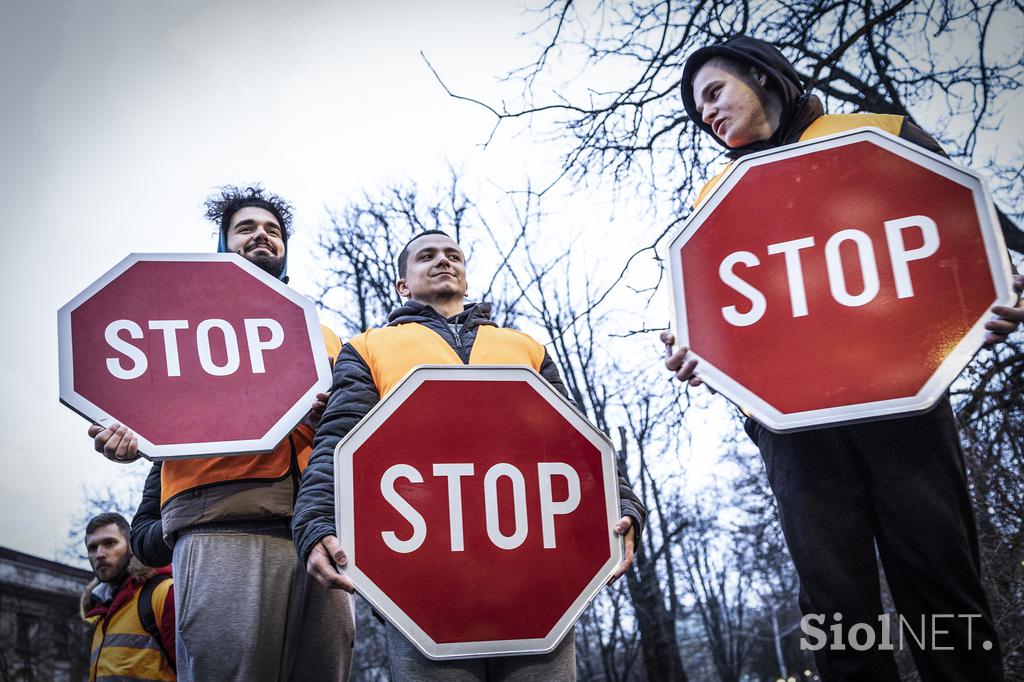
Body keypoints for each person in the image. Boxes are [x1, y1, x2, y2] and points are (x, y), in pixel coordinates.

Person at [662, 36, 1024, 681]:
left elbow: (958, 239)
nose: (707, 115)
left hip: (901, 407)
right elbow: (719, 317)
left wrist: (992, 291)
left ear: (761, 74)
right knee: (836, 608)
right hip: (794, 432)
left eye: (714, 92)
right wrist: (697, 356)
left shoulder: (876, 134)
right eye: (698, 112)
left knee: (941, 583)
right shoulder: (716, 196)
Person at [291, 230, 646, 680]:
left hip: (535, 585)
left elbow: (577, 442)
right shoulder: (367, 348)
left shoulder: (525, 348)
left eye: (452, 255)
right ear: (403, 284)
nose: (443, 261)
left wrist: (624, 507)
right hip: (420, 583)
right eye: (427, 256)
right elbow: (336, 442)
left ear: (465, 274)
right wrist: (316, 523)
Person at [88, 186, 355, 681]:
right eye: (246, 228)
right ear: (222, 243)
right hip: (222, 533)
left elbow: (348, 429)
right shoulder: (182, 324)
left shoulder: (324, 335)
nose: (262, 236)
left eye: (273, 231)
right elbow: (160, 425)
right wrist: (132, 440)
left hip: (320, 537)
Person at [80, 512, 176, 682]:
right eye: (92, 548)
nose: (99, 554)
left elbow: (200, 671)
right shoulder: (99, 612)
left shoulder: (163, 593)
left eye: (109, 543)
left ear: (131, 546)